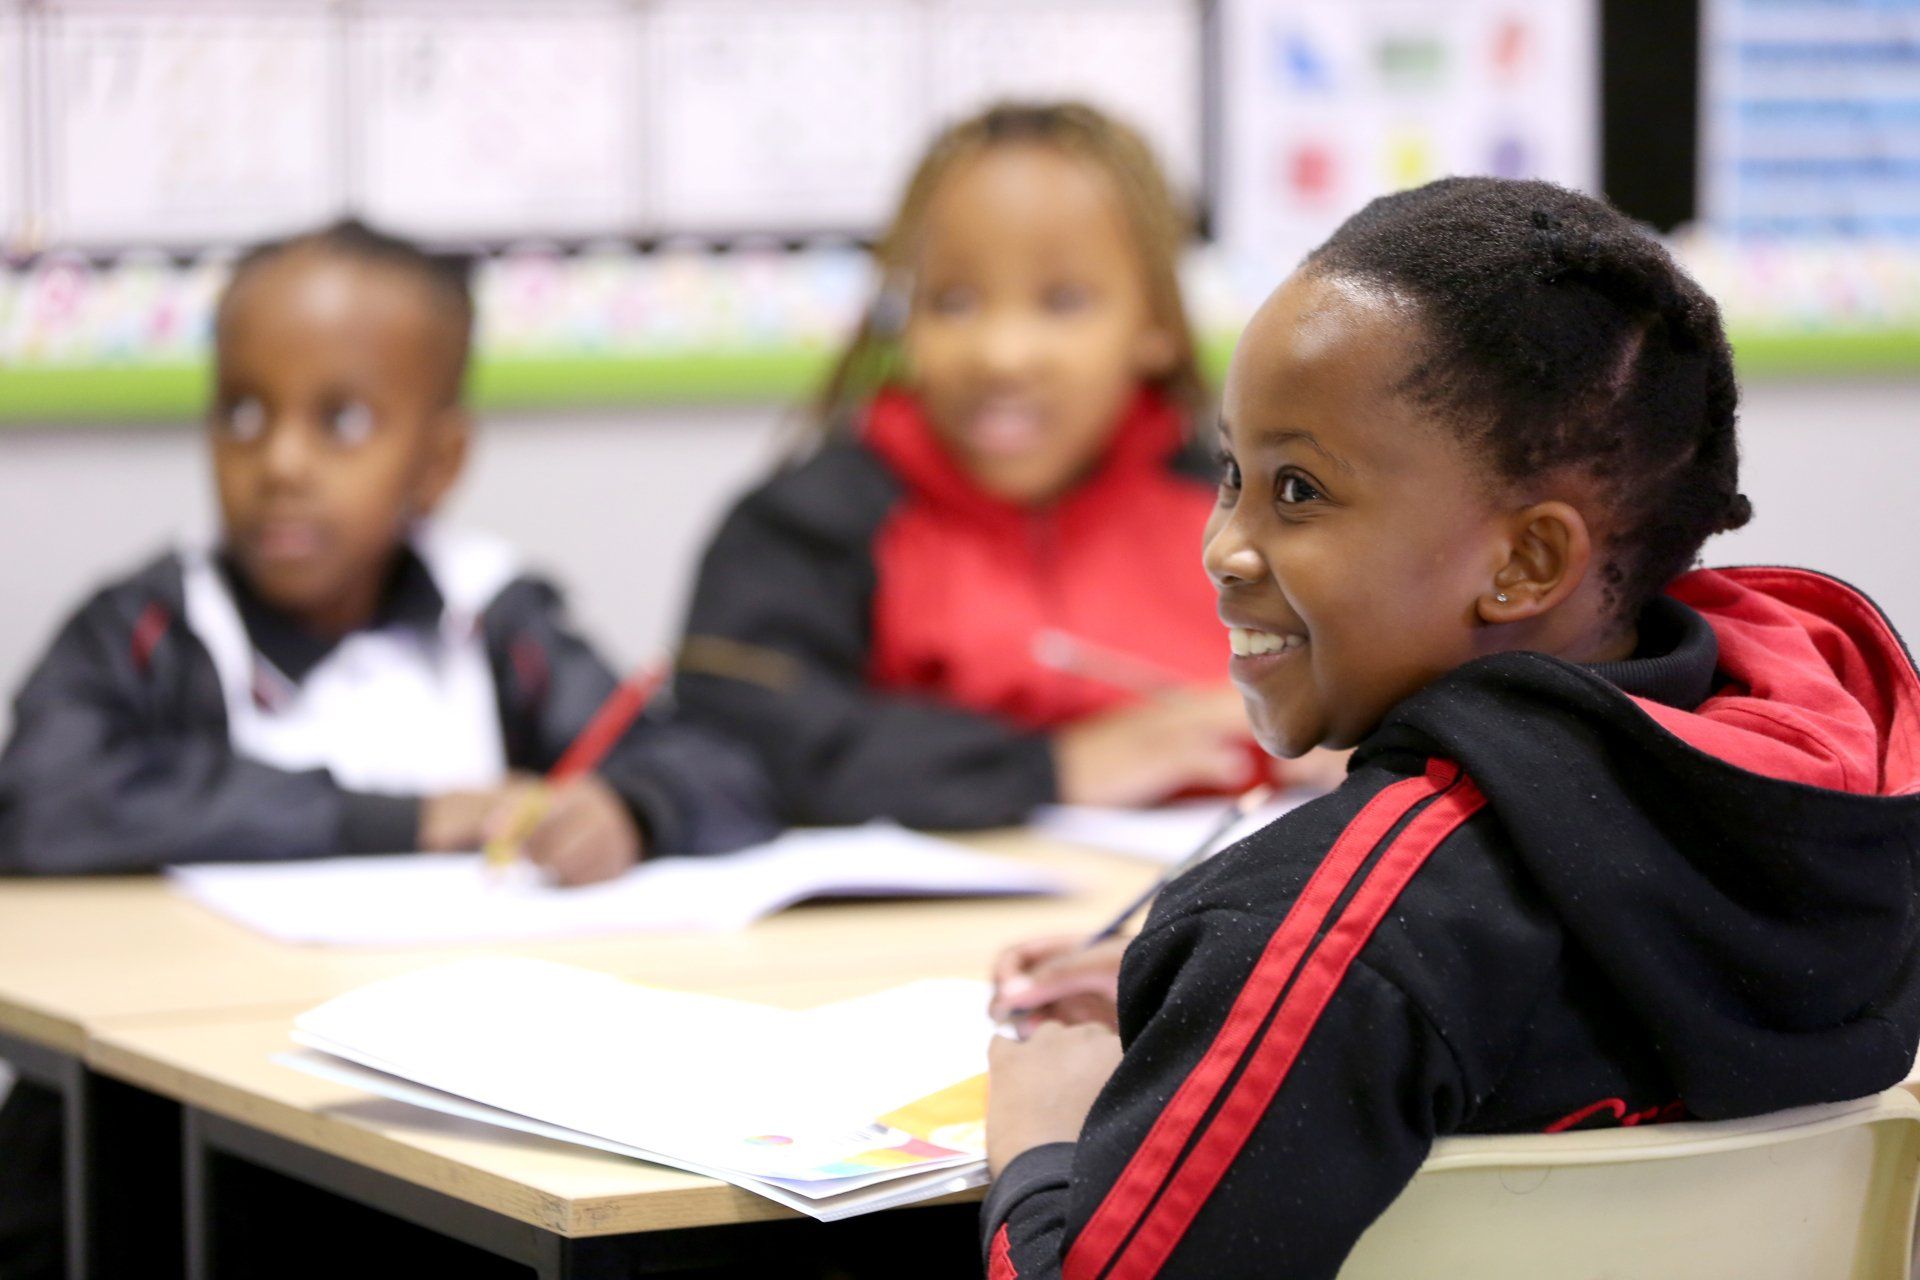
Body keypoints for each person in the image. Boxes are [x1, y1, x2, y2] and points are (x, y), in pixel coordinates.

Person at [980, 176, 1920, 1278]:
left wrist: (1041, 1139)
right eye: (1231, 472)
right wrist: (1211, 1005)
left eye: (1298, 491)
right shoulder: (1829, 819)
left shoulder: (1330, 939)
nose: (1224, 546)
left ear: (1526, 562)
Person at [677, 103, 1337, 830]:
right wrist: (1056, 767)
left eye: (1063, 302)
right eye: (952, 302)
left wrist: (1343, 728)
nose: (1002, 355)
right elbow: (738, 744)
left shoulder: (1256, 514)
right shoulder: (807, 525)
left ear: (1154, 323)